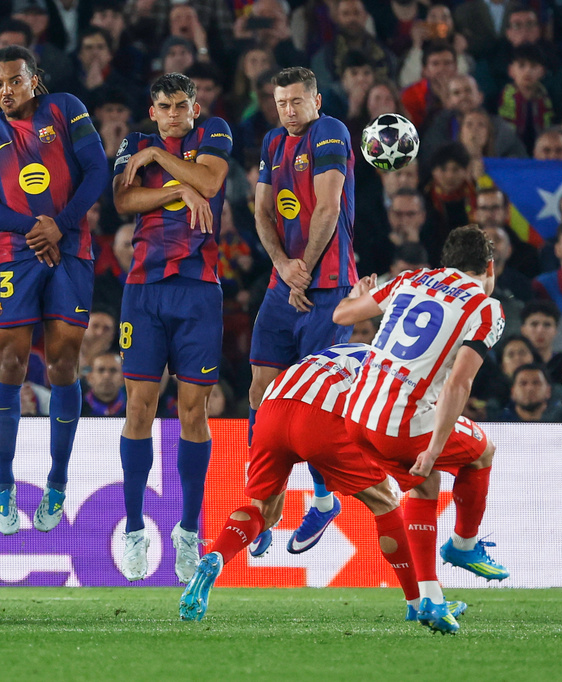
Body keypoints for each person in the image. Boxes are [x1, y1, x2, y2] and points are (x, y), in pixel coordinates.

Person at [179, 341, 439, 625]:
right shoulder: (398, 368)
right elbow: (384, 422)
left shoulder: (349, 349)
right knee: (385, 502)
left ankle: (216, 556)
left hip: (271, 409)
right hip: (319, 416)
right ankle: (418, 602)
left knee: (264, 513)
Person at [336, 224, 510, 634]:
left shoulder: (411, 279)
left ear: (446, 262)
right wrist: (432, 450)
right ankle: (464, 545)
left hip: (356, 415)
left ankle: (429, 599)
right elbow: (458, 384)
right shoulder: (486, 308)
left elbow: (341, 315)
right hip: (401, 423)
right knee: (483, 451)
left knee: (425, 485)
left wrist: (360, 292)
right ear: (489, 266)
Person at [0, 45, 108, 536]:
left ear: (34, 79)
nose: (5, 91)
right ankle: (4, 486)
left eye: (14, 80)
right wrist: (35, 228)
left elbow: (97, 171)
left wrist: (59, 226)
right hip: (17, 253)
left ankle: (58, 481)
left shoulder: (66, 108)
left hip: (71, 249)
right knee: (9, 363)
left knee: (63, 365)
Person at [112, 72, 231, 583]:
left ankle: (188, 531)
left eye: (182, 105)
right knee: (138, 406)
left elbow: (210, 182)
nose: (174, 114)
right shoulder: (131, 143)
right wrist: (179, 188)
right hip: (144, 288)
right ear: (153, 110)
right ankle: (135, 529)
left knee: (192, 410)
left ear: (195, 109)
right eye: (165, 106)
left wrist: (160, 161)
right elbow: (123, 201)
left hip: (199, 289)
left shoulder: (214, 132)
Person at [247, 65, 358, 557]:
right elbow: (262, 211)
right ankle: (260, 505)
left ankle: (323, 500)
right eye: (281, 103)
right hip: (283, 283)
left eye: (296, 101)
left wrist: (304, 271)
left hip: (328, 286)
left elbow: (328, 208)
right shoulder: (273, 142)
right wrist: (282, 266)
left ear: (316, 101)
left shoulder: (330, 131)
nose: (288, 111)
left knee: (312, 401)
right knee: (261, 390)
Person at [81, 350, 126, 417]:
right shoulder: (76, 410)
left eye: (113, 370)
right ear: (90, 377)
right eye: (101, 370)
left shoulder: (133, 410)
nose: (107, 376)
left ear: (122, 378)